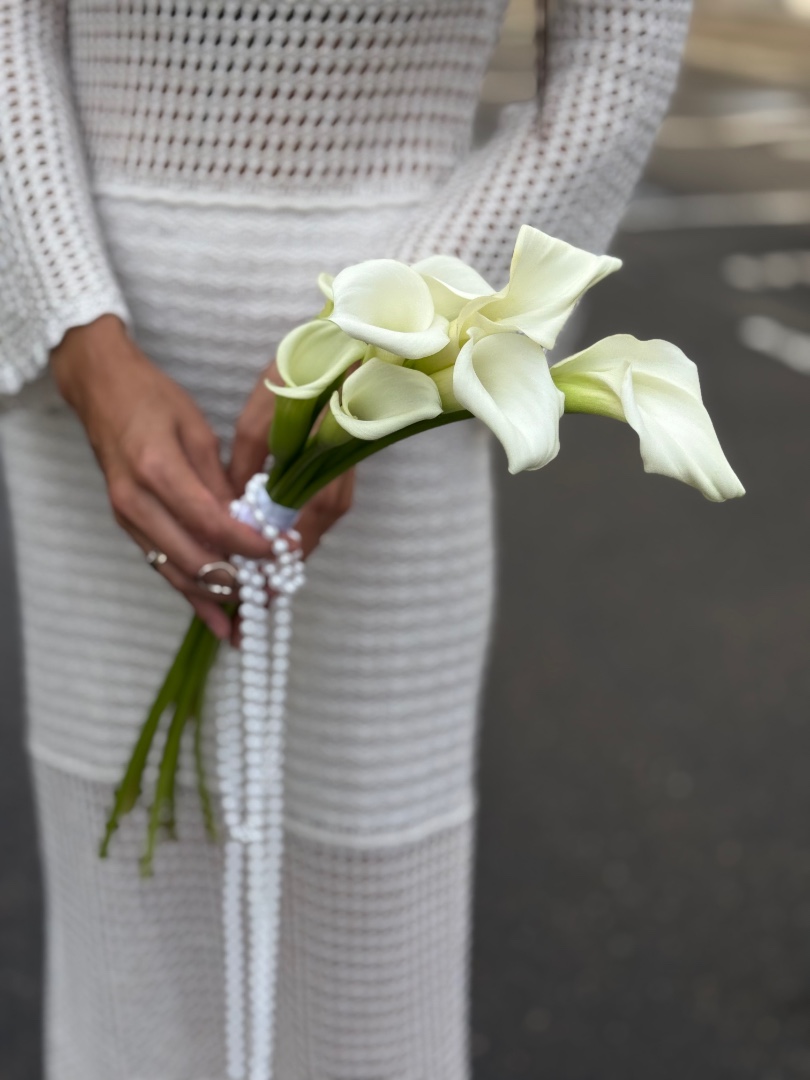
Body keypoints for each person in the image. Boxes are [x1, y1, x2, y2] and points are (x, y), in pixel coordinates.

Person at [0, 1, 692, 1077]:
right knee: (126, 928)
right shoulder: (82, 366)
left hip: (400, 396)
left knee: (367, 941)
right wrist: (78, 341)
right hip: (86, 386)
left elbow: (616, 58)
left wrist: (401, 338)